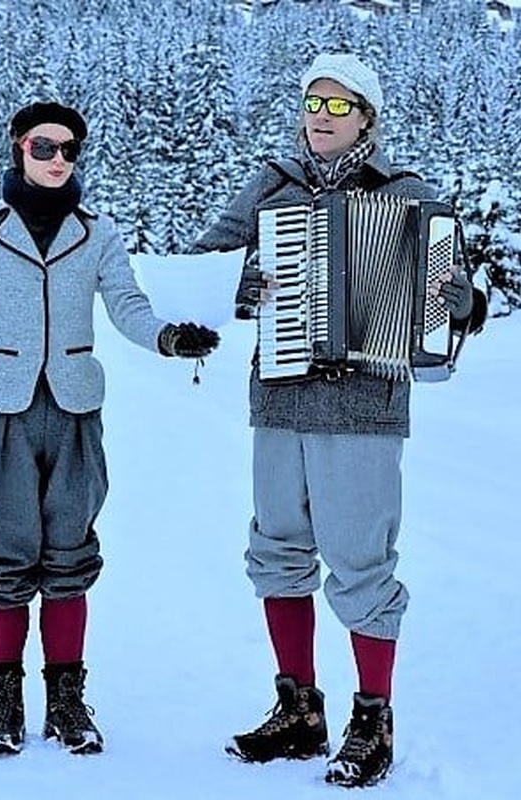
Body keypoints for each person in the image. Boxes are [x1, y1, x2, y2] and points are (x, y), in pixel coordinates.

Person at [190, 53, 486, 788]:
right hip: (281, 397)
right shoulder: (272, 186)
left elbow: (460, 301)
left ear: (366, 117)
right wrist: (243, 280)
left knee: (361, 564)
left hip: (365, 405)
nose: (319, 118)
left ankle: (372, 719)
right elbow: (197, 267)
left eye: (336, 106)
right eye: (311, 103)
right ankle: (299, 712)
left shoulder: (412, 197)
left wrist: (462, 310)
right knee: (276, 552)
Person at [0, 101, 219, 757]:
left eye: (67, 149)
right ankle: (2, 702)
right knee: (5, 556)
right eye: (43, 147)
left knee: (69, 556)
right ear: (18, 149)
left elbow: (126, 306)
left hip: (75, 409)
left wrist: (169, 338)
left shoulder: (98, 232)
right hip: (0, 409)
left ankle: (66, 700)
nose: (57, 159)